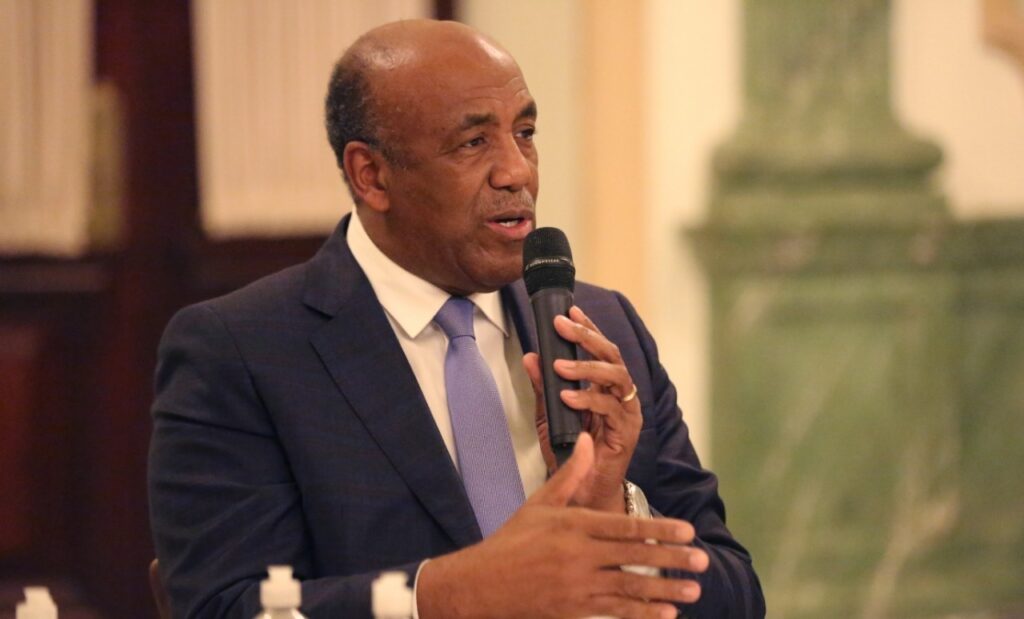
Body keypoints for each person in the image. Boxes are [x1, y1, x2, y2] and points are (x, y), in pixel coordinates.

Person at [148, 19, 765, 619]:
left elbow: (736, 596)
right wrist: (453, 596)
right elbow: (226, 606)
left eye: (525, 132)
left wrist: (614, 511)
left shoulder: (602, 326)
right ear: (371, 175)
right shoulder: (242, 351)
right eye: (473, 143)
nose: (517, 171)